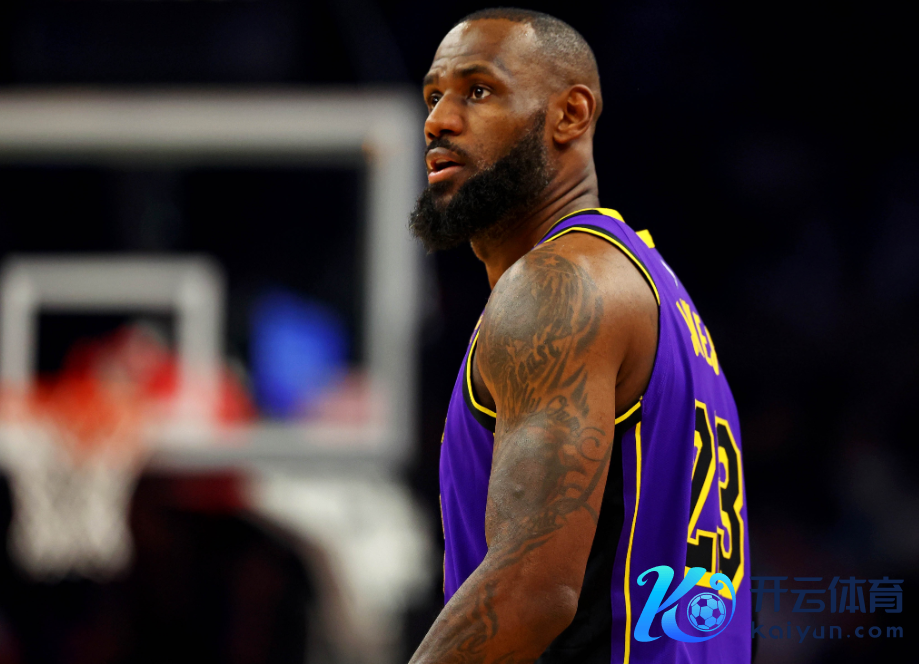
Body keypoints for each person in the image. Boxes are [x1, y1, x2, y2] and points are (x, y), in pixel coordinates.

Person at [409, 8, 750, 663]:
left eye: (477, 91)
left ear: (570, 114)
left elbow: (530, 594)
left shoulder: (558, 287)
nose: (438, 121)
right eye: (433, 96)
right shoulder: (647, 284)